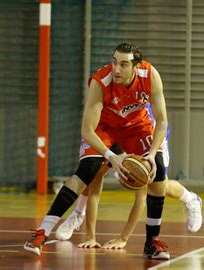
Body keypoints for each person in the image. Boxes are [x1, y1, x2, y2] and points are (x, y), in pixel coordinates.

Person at [24, 42, 177, 260]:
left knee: (158, 173)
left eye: (124, 64)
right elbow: (87, 130)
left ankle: (152, 242)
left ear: (136, 66)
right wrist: (111, 156)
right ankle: (42, 232)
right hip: (103, 128)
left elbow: (162, 121)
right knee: (87, 169)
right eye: (114, 62)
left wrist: (152, 154)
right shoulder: (100, 82)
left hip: (137, 127)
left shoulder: (150, 75)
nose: (116, 69)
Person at [55, 138, 203, 244]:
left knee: (157, 186)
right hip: (118, 127)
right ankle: (78, 213)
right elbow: (94, 189)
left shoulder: (140, 147)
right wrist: (90, 237)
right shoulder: (107, 130)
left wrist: (123, 238)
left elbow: (141, 200)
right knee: (93, 172)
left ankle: (191, 199)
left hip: (149, 134)